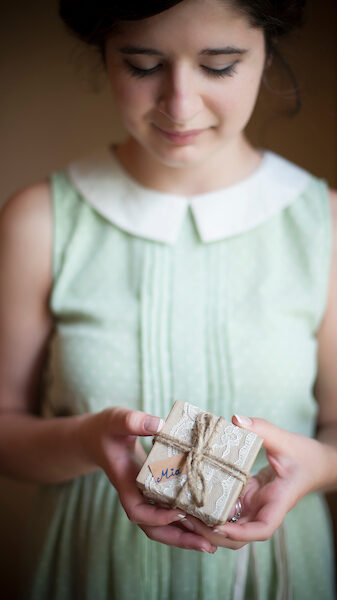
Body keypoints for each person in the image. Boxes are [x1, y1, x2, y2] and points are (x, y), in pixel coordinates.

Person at [0, 0, 336, 598]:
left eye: (220, 65)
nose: (179, 104)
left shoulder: (323, 225)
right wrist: (84, 441)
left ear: (267, 51)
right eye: (143, 63)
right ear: (105, 56)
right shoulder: (40, 220)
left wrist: (316, 469)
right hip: (89, 572)